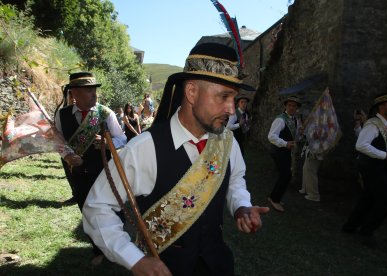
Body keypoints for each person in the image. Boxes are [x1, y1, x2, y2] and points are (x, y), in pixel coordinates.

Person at [83, 43, 269, 276]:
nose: (231, 109)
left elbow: (235, 181)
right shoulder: (145, 148)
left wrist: (241, 206)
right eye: (223, 96)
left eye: (234, 97)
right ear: (191, 92)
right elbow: (97, 207)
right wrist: (135, 260)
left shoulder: (228, 143)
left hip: (218, 266)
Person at [54, 72, 126, 264]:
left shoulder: (105, 113)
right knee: (87, 211)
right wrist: (68, 155)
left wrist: (107, 140)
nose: (94, 94)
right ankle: (98, 250)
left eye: (94, 89)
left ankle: (115, 247)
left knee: (111, 210)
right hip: (78, 174)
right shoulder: (61, 116)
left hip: (104, 172)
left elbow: (122, 138)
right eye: (88, 90)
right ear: (74, 92)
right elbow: (58, 141)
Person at [342, 93, 387, 248]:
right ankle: (366, 231)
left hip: (377, 166)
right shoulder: (374, 124)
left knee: (367, 198)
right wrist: (384, 155)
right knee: (386, 201)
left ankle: (350, 226)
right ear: (381, 107)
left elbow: (381, 145)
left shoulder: (384, 125)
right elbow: (361, 145)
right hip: (371, 168)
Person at [267, 96, 302, 212]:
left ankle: (273, 196)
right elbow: (271, 136)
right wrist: (285, 143)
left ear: (297, 108)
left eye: (294, 106)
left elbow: (295, 137)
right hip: (278, 151)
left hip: (285, 151)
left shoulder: (296, 120)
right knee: (286, 175)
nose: (292, 107)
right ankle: (275, 200)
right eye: (289, 105)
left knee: (285, 175)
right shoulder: (281, 120)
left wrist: (300, 133)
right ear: (285, 106)